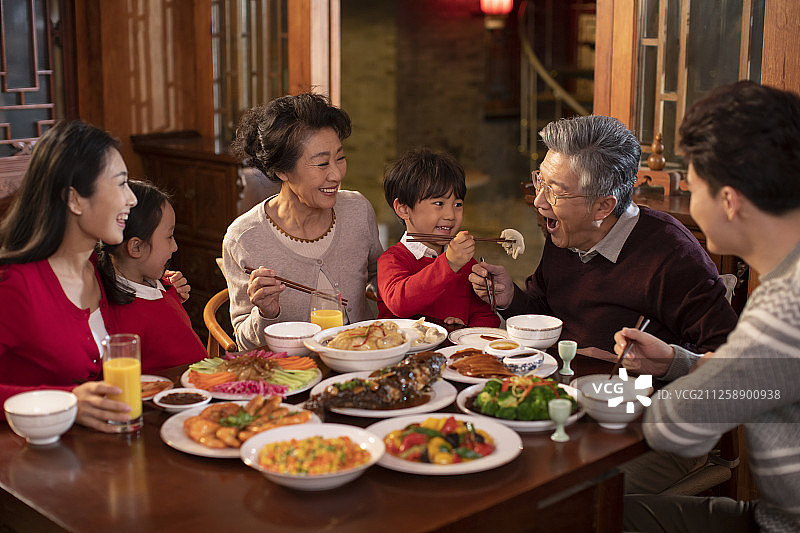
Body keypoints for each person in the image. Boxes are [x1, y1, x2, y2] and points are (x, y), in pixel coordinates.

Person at [616, 81, 800, 533]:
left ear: (729, 200)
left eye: (693, 186)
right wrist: (679, 362)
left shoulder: (784, 305)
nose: (690, 203)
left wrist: (702, 381)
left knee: (582, 512)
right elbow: (767, 382)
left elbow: (673, 428)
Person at [469, 114, 738, 356]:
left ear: (603, 206)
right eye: (540, 181)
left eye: (554, 191)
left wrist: (653, 363)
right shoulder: (565, 233)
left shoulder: (674, 255)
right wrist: (509, 298)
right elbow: (545, 312)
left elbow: (726, 357)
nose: (539, 201)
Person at [0, 120, 138, 432]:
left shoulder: (94, 268)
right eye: (121, 184)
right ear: (74, 199)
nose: (132, 199)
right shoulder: (15, 284)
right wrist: (69, 401)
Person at [223, 93, 383, 350]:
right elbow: (243, 341)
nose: (336, 174)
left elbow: (382, 277)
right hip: (295, 373)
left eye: (340, 158)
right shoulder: (244, 238)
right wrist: (265, 313)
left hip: (363, 361)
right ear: (282, 170)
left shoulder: (358, 209)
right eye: (321, 163)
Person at [377, 148, 500, 330]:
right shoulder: (392, 259)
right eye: (439, 203)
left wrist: (466, 333)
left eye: (457, 204)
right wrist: (449, 263)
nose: (450, 215)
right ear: (403, 209)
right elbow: (400, 302)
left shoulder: (464, 262)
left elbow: (487, 316)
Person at [96, 179, 207, 372]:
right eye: (169, 237)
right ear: (136, 247)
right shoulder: (121, 321)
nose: (175, 247)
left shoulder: (158, 285)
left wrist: (171, 297)